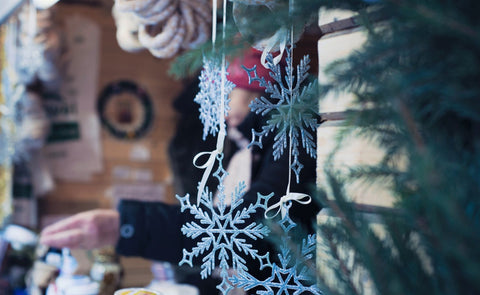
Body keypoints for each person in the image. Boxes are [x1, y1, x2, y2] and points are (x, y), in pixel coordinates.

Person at [39, 48, 319, 293]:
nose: (222, 115)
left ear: (255, 84)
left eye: (224, 96)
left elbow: (246, 229)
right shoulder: (257, 149)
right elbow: (251, 251)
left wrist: (127, 227)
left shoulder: (296, 137)